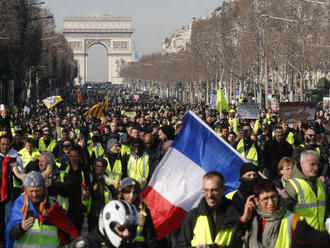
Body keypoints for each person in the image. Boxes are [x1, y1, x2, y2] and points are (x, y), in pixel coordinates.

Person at [5, 171, 79, 248]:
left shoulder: (53, 206)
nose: (34, 194)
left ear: (44, 189)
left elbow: (68, 231)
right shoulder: (20, 205)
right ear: (26, 190)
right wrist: (21, 228)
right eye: (31, 191)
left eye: (38, 191)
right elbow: (10, 234)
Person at [176, 171, 243, 248]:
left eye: (214, 190)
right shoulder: (192, 216)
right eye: (206, 190)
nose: (210, 195)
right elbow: (181, 245)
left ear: (223, 189)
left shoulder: (236, 214)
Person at [285, 150, 327, 231]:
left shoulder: (320, 183)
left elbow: (325, 210)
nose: (316, 168)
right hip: (302, 238)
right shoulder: (292, 185)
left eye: (317, 164)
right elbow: (287, 216)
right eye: (312, 164)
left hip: (320, 237)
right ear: (302, 164)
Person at [70, 200, 140, 248]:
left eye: (131, 228)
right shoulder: (86, 245)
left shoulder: (131, 244)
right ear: (108, 225)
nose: (127, 233)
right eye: (121, 228)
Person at [118, 177, 159, 248]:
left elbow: (151, 236)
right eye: (127, 191)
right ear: (121, 193)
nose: (131, 195)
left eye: (135, 192)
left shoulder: (143, 210)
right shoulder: (114, 208)